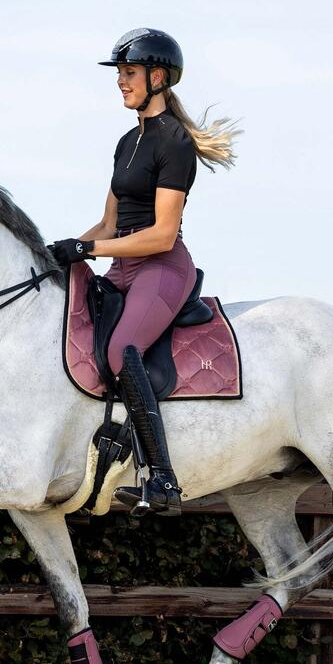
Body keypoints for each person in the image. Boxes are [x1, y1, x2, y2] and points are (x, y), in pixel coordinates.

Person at [49, 28, 240, 516]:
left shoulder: (174, 143)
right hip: (122, 267)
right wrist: (60, 249)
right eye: (119, 74)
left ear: (157, 77)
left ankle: (163, 480)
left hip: (162, 268)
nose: (120, 82)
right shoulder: (125, 142)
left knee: (120, 349)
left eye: (128, 73)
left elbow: (160, 234)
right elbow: (110, 223)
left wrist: (89, 247)